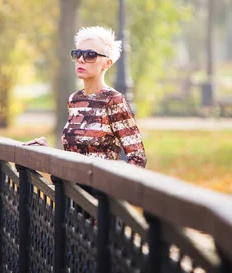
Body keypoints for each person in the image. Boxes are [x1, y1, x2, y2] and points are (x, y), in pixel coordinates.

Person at [26, 26, 147, 168]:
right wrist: (48, 152)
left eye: (90, 55)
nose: (81, 60)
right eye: (78, 54)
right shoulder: (74, 100)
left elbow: (138, 158)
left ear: (107, 63)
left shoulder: (113, 101)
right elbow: (76, 153)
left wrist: (110, 186)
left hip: (98, 189)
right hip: (71, 189)